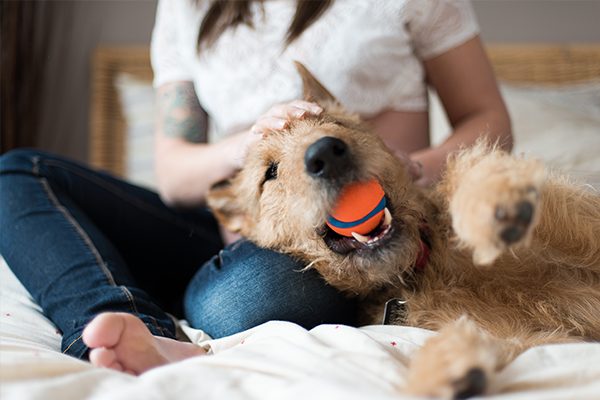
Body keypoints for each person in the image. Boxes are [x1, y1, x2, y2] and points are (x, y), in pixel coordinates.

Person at [0, 0, 511, 375]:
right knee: (18, 173)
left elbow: (489, 121)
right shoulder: (188, 8)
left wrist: (409, 166)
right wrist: (246, 147)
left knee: (252, 294)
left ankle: (207, 310)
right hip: (230, 228)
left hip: (355, 240)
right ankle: (133, 325)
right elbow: (175, 177)